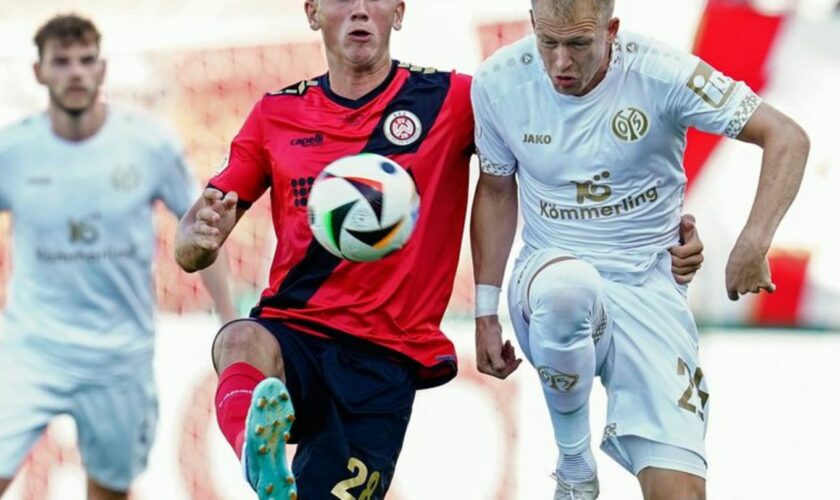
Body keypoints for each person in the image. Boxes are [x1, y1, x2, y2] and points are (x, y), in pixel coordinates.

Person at [174, 1, 705, 499]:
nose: (360, 8)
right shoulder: (275, 115)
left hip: (383, 358)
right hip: (296, 330)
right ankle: (253, 442)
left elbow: (563, 150)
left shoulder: (452, 100)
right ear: (311, 12)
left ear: (399, 12)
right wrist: (197, 238)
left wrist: (660, 229)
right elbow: (194, 240)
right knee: (241, 337)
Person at [470, 0, 810, 499]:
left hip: (648, 289)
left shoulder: (663, 72)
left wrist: (754, 240)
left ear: (612, 31)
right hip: (547, 279)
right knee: (569, 288)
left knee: (680, 492)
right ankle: (574, 466)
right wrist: (484, 312)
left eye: (579, 44)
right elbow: (496, 190)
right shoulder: (500, 81)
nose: (561, 62)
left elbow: (787, 136)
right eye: (548, 42)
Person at [0, 14, 235, 500]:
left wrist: (232, 322)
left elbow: (201, 231)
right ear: (39, 71)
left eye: (86, 61)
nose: (76, 73)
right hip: (31, 350)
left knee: (108, 491)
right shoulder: (13, 149)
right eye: (61, 62)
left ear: (102, 69)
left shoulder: (148, 144)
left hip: (119, 356)